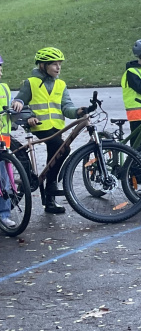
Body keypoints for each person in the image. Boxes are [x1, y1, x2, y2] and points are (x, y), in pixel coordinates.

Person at [10, 47, 94, 215]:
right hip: (39, 127)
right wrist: (28, 117)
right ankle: (52, 187)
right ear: (42, 65)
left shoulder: (60, 84)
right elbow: (20, 101)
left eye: (59, 64)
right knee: (63, 148)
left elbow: (66, 106)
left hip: (56, 128)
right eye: (54, 64)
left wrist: (77, 111)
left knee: (54, 158)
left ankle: (49, 201)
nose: (58, 68)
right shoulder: (31, 83)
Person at [0, 54, 14, 229]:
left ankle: (4, 214)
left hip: (3, 143)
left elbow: (10, 110)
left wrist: (17, 105)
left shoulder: (4, 88)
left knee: (4, 181)